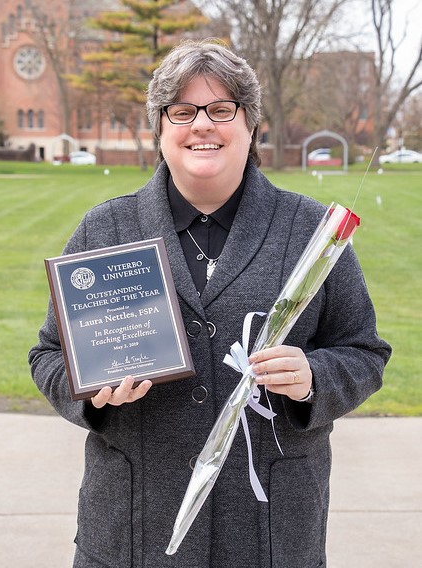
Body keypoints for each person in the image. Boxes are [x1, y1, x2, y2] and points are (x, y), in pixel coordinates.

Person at [29, 39, 391, 568]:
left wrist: (313, 375)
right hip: (134, 529)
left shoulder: (313, 233)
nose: (202, 125)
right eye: (182, 111)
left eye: (222, 109)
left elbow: (365, 352)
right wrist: (90, 395)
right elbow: (48, 357)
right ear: (160, 129)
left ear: (251, 126)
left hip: (269, 531)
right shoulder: (105, 230)